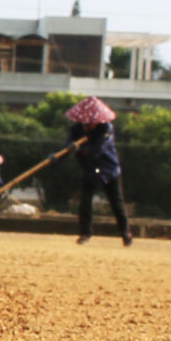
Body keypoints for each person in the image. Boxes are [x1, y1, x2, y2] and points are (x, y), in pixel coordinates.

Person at [64, 97, 130, 246]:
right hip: (89, 169)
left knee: (116, 202)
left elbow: (96, 151)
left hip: (107, 169)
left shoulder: (106, 129)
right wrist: (60, 154)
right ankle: (85, 233)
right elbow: (67, 146)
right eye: (85, 123)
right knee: (85, 202)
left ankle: (125, 234)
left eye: (90, 123)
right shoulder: (76, 129)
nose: (87, 126)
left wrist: (80, 149)